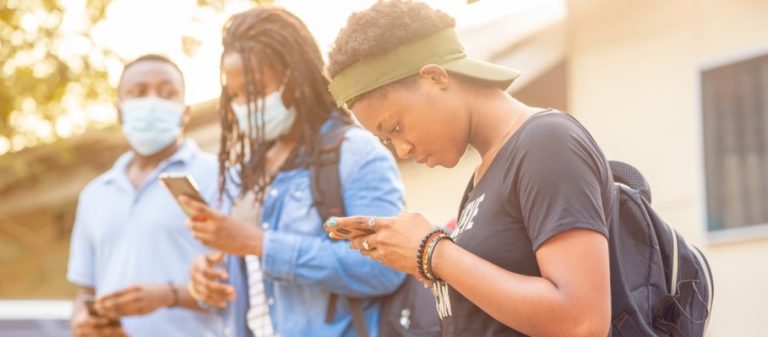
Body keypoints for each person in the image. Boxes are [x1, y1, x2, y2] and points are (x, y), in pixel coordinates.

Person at [324, 1, 612, 337]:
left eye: (397, 127)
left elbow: (582, 322)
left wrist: (432, 251)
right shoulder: (484, 174)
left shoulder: (546, 143)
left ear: (435, 77)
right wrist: (417, 256)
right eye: (388, 141)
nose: (402, 149)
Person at [179, 7, 406, 337]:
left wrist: (264, 245)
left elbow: (387, 268)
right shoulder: (244, 175)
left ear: (295, 78)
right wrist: (206, 282)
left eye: (254, 92)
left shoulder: (355, 154)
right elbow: (249, 288)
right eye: (235, 95)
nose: (242, 106)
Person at [67, 54, 224, 337]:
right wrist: (82, 320)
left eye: (167, 93)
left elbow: (241, 285)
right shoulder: (95, 194)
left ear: (184, 111)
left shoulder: (221, 177)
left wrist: (170, 295)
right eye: (138, 93)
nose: (152, 102)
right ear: (119, 111)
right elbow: (86, 290)